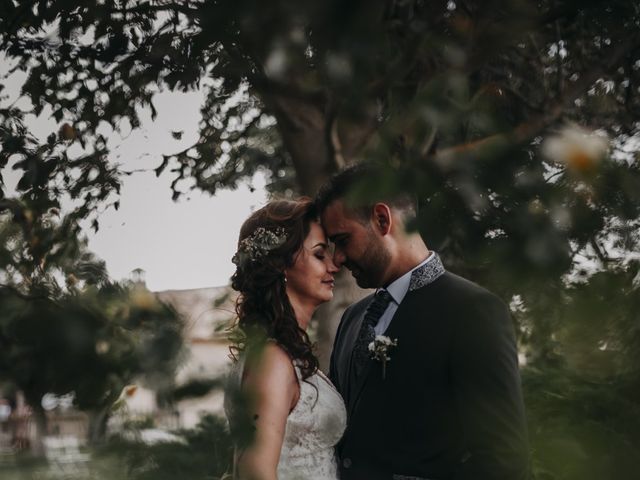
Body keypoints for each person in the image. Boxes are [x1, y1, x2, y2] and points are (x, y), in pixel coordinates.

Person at [316, 165, 530, 480]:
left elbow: (504, 460)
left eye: (343, 240)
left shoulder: (473, 311)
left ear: (381, 219)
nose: (337, 259)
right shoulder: (352, 318)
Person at [224, 198, 346, 480]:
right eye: (319, 255)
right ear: (281, 264)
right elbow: (255, 473)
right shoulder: (272, 360)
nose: (334, 266)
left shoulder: (285, 353)